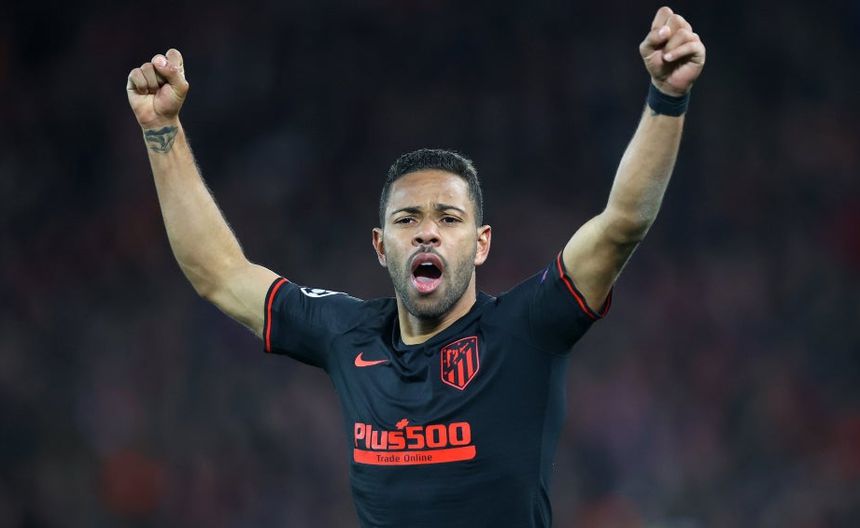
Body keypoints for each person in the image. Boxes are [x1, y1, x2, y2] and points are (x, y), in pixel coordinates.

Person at [126, 6, 705, 527]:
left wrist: (666, 98)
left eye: (449, 218)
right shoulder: (347, 334)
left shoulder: (525, 329)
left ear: (481, 244)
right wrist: (162, 131)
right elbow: (220, 273)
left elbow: (621, 224)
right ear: (381, 247)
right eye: (408, 219)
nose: (428, 230)